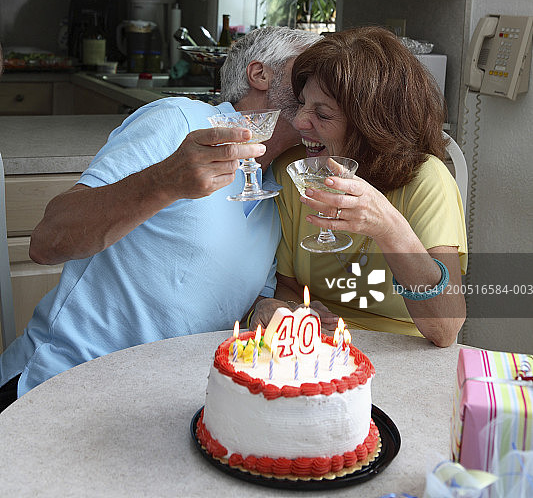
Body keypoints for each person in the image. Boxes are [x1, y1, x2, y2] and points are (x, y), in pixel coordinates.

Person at [0, 26, 317, 408]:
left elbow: (232, 300)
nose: (320, 79)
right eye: (309, 66)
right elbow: (47, 241)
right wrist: (163, 181)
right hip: (58, 386)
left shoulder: (276, 190)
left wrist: (263, 310)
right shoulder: (181, 120)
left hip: (161, 406)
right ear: (260, 73)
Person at [251, 27, 467, 348]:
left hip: (404, 354)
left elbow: (444, 329)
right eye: (302, 104)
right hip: (319, 351)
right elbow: (288, 286)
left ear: (373, 125)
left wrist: (387, 226)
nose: (299, 122)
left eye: (322, 114)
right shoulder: (294, 171)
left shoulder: (426, 181)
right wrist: (284, 308)